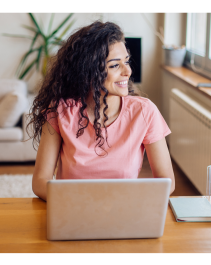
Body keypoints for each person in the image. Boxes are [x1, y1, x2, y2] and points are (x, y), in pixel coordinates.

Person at [27, 21, 175, 200]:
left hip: (123, 211)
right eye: (114, 65)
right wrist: (80, 200)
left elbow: (167, 181)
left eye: (126, 61)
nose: (127, 71)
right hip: (72, 211)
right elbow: (40, 181)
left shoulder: (145, 112)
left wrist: (134, 200)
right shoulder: (60, 111)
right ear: (88, 71)